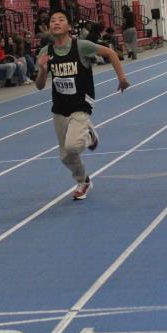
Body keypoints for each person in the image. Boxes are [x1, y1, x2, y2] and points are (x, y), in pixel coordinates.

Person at [36, 10, 129, 201]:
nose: (56, 23)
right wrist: (43, 70)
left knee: (72, 146)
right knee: (65, 156)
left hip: (81, 103)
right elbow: (39, 86)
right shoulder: (45, 52)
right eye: (52, 20)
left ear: (69, 26)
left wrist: (122, 78)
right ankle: (83, 181)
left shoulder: (81, 46)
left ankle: (88, 133)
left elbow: (110, 53)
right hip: (60, 106)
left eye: (61, 20)